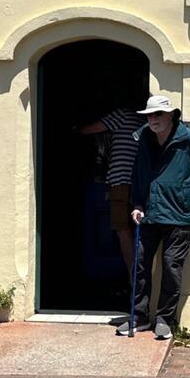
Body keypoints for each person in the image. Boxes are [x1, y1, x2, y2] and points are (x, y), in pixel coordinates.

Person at [120, 94, 190, 340]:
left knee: (171, 267)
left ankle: (165, 319)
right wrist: (138, 203)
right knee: (140, 264)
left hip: (178, 214)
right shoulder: (143, 139)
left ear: (172, 115)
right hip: (150, 213)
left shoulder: (189, 139)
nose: (153, 119)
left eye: (158, 114)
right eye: (150, 115)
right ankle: (139, 316)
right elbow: (138, 174)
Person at [76, 100, 145, 277]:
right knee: (139, 231)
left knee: (122, 230)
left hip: (120, 181)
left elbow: (90, 129)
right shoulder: (143, 121)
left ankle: (133, 277)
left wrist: (74, 129)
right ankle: (138, 277)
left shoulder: (121, 114)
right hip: (138, 182)